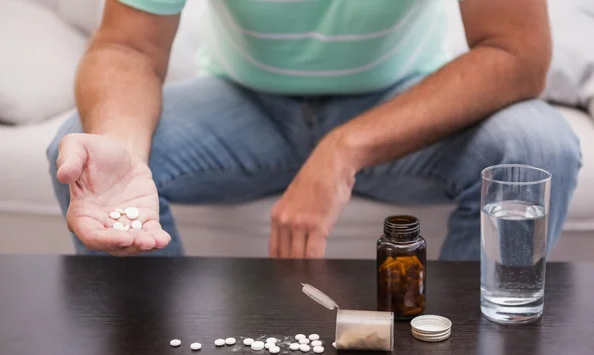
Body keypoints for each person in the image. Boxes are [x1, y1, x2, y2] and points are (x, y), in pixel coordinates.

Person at [47, 0, 581, 259]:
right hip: (246, 102)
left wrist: (345, 147)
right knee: (92, 154)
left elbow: (517, 54)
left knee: (537, 148)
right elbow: (128, 46)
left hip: (401, 101)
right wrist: (118, 145)